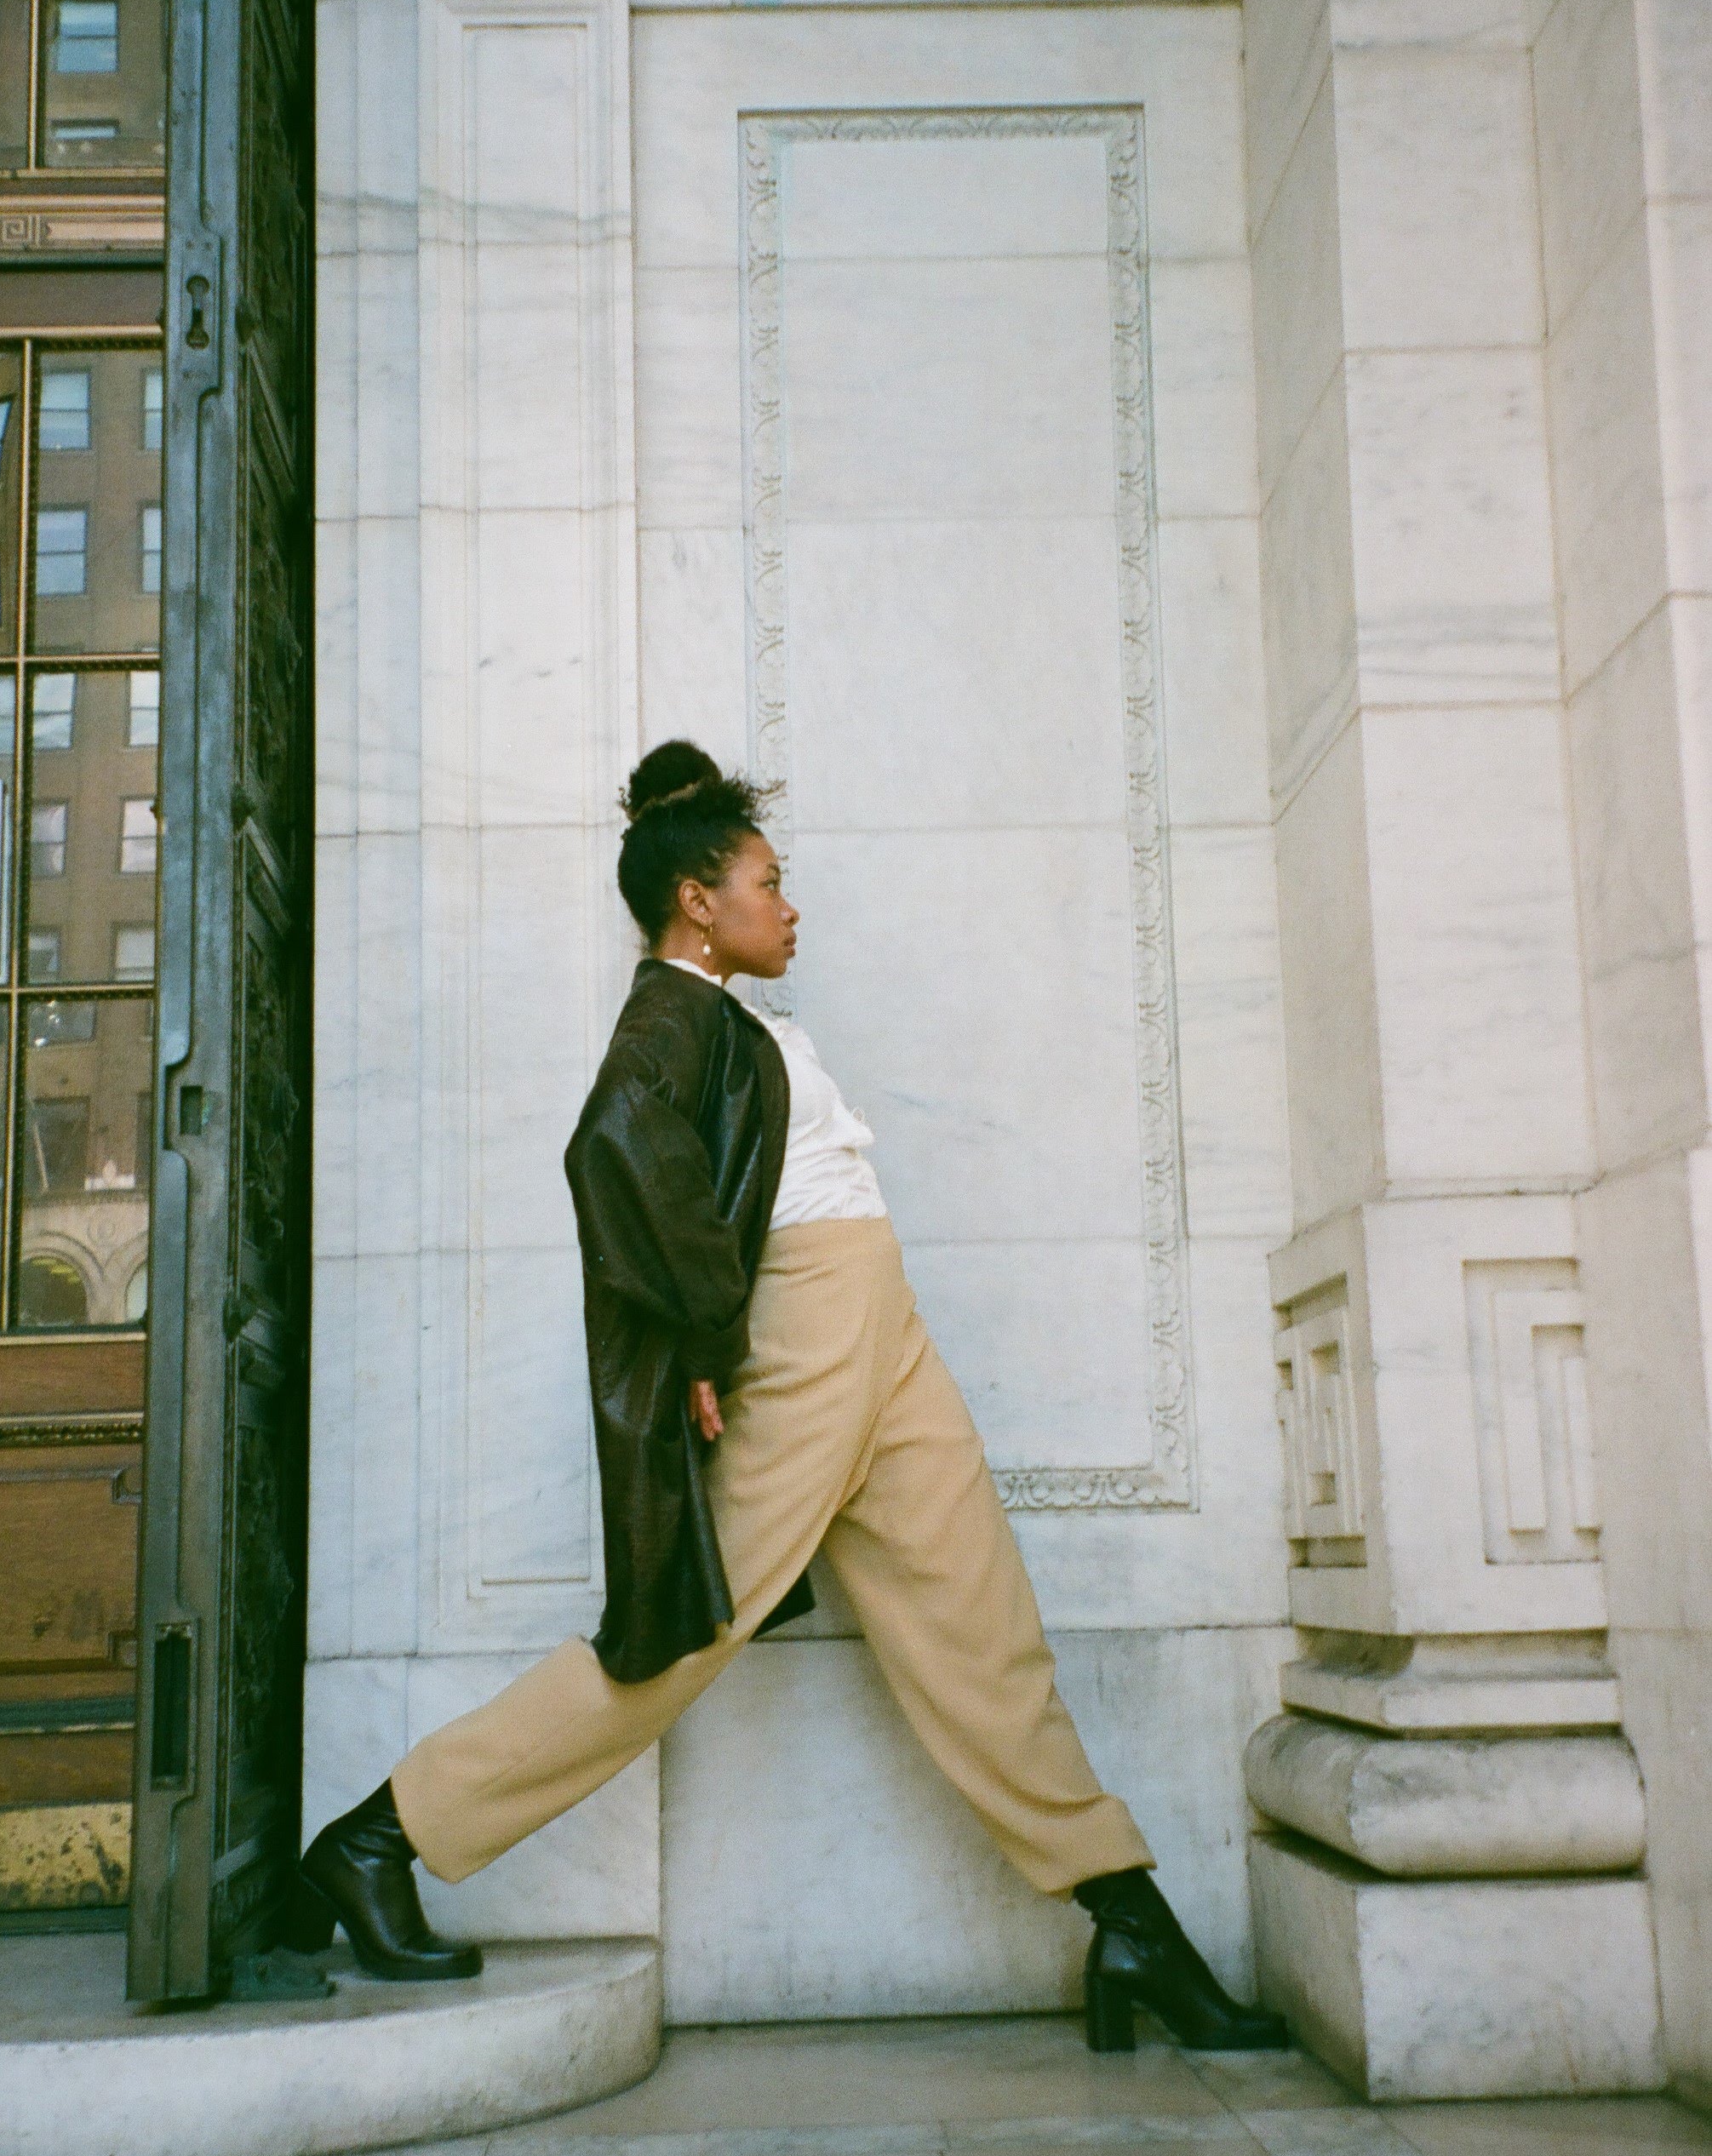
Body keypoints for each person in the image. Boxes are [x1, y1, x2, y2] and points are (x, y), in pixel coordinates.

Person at [294, 742, 1285, 2056]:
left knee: (983, 1629)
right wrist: (707, 1336)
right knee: (672, 1644)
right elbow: (612, 1148)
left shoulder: (732, 1014)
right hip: (812, 1345)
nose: (789, 903)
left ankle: (1132, 1924)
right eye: (767, 881)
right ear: (698, 901)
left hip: (886, 1332)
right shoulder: (669, 1013)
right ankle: (383, 1834)